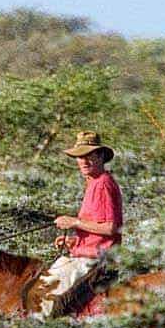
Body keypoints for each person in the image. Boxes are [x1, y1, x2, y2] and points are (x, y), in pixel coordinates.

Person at [37, 130, 123, 317]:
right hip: (87, 255)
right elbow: (96, 228)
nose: (83, 161)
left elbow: (110, 227)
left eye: (89, 155)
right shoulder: (93, 182)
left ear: (100, 156)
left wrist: (73, 222)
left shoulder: (102, 184)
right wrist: (74, 243)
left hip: (95, 261)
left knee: (45, 297)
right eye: (79, 156)